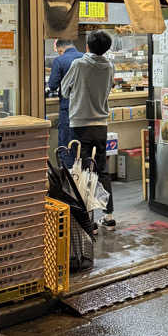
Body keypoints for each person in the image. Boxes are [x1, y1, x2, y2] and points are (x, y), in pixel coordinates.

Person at [61, 29, 115, 228]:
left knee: (83, 172)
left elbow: (64, 90)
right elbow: (108, 89)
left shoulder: (79, 64)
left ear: (87, 46)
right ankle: (109, 217)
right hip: (101, 125)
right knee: (102, 170)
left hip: (80, 125)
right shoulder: (110, 66)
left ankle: (88, 219)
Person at [46, 37, 83, 166]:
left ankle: (67, 178)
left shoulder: (60, 60)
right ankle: (81, 179)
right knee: (80, 144)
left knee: (66, 144)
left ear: (60, 49)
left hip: (68, 107)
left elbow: (52, 85)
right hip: (85, 108)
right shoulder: (85, 58)